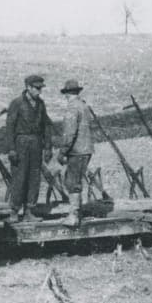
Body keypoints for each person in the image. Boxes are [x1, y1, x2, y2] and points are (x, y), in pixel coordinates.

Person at [4, 74, 53, 222]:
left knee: (34, 178)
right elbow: (9, 127)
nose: (40, 91)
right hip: (21, 144)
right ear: (28, 87)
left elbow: (46, 126)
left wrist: (48, 147)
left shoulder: (41, 104)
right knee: (19, 177)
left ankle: (29, 211)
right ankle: (14, 212)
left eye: (41, 88)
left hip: (36, 144)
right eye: (37, 88)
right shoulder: (16, 103)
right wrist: (11, 149)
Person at [57, 79, 94, 227]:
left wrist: (62, 151)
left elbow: (69, 133)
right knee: (75, 181)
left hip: (77, 151)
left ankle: (74, 216)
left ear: (67, 93)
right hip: (85, 149)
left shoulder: (72, 107)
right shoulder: (83, 105)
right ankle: (76, 213)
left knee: (72, 182)